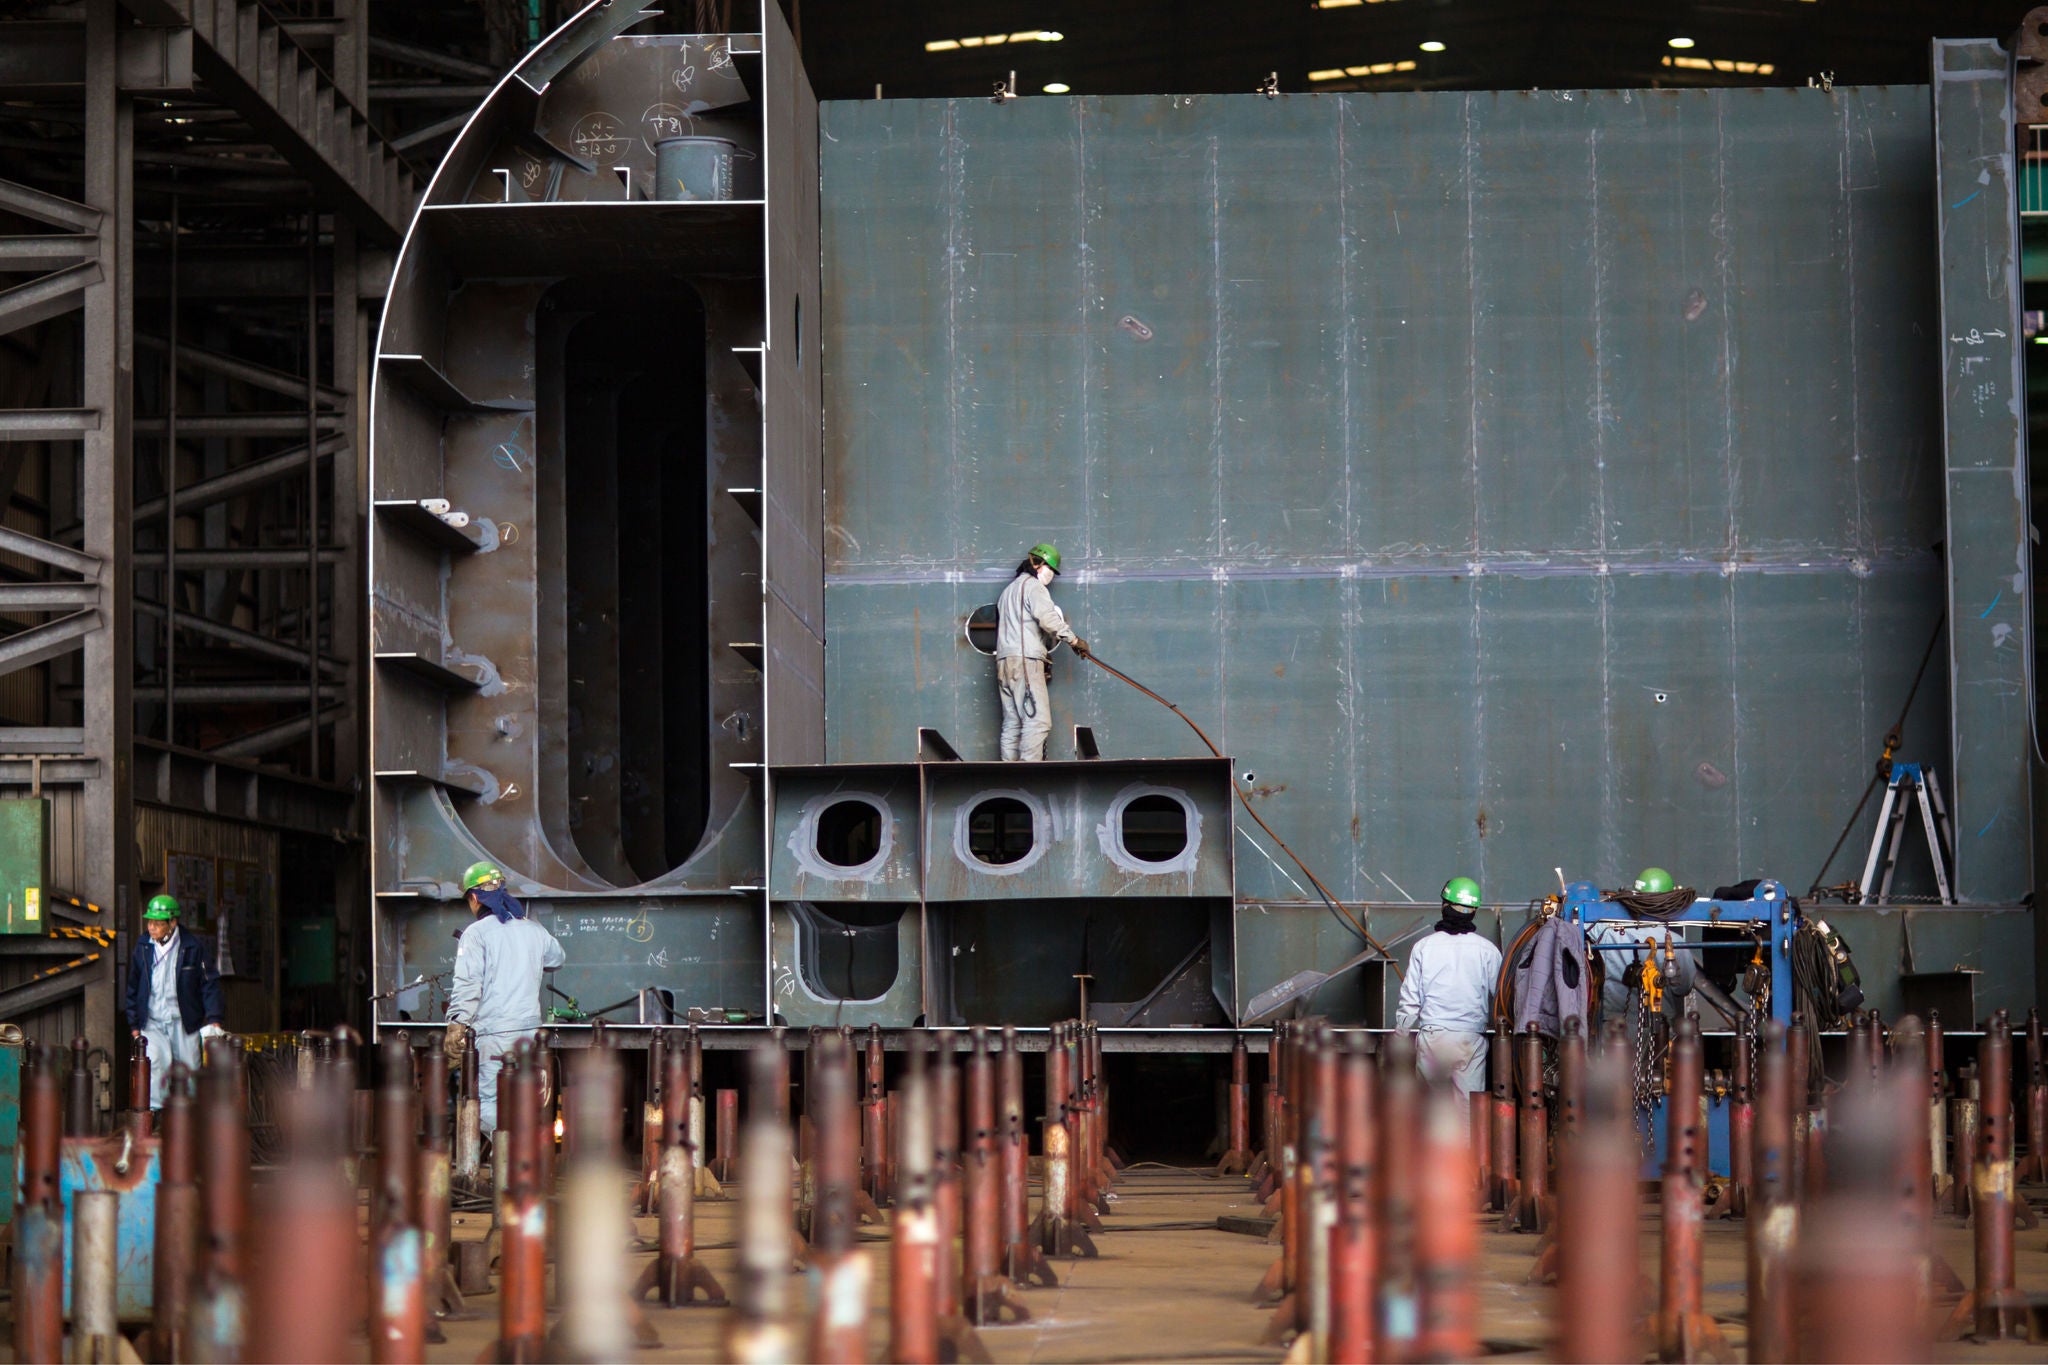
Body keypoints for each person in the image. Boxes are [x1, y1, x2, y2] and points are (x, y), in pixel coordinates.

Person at [443, 860, 563, 1134]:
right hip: (530, 1034)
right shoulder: (533, 930)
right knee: (526, 1099)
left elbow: (468, 982)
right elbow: (557, 958)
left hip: (494, 1034)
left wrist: (456, 1023)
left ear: (474, 898)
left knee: (485, 1104)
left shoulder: (475, 934)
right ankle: (523, 1161)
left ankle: (510, 1161)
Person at [1394, 876, 1502, 1119]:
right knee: (1468, 1110)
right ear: (1473, 911)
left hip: (1433, 1037)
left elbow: (1410, 998)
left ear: (1444, 905)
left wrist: (1401, 1033)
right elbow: (1503, 998)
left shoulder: (1424, 946)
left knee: (1431, 1109)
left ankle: (1430, 1155)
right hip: (1470, 1040)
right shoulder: (1488, 951)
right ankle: (1468, 1156)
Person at [124, 894, 227, 1110]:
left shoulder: (192, 947)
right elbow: (132, 986)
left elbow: (209, 983)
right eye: (149, 922)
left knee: (190, 1070)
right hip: (151, 1022)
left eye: (157, 923)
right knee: (155, 1068)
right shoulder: (143, 946)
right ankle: (157, 1120)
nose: (151, 927)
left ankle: (190, 1120)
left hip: (184, 1021)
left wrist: (214, 1018)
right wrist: (134, 1025)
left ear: (173, 923)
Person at [994, 542, 1088, 762]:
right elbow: (1048, 619)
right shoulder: (1034, 587)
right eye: (1050, 569)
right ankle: (1028, 775)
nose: (1051, 575)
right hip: (1025, 662)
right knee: (1038, 722)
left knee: (1013, 722)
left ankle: (1008, 776)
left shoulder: (1007, 592)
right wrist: (1074, 641)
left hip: (1004, 663)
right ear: (1037, 564)